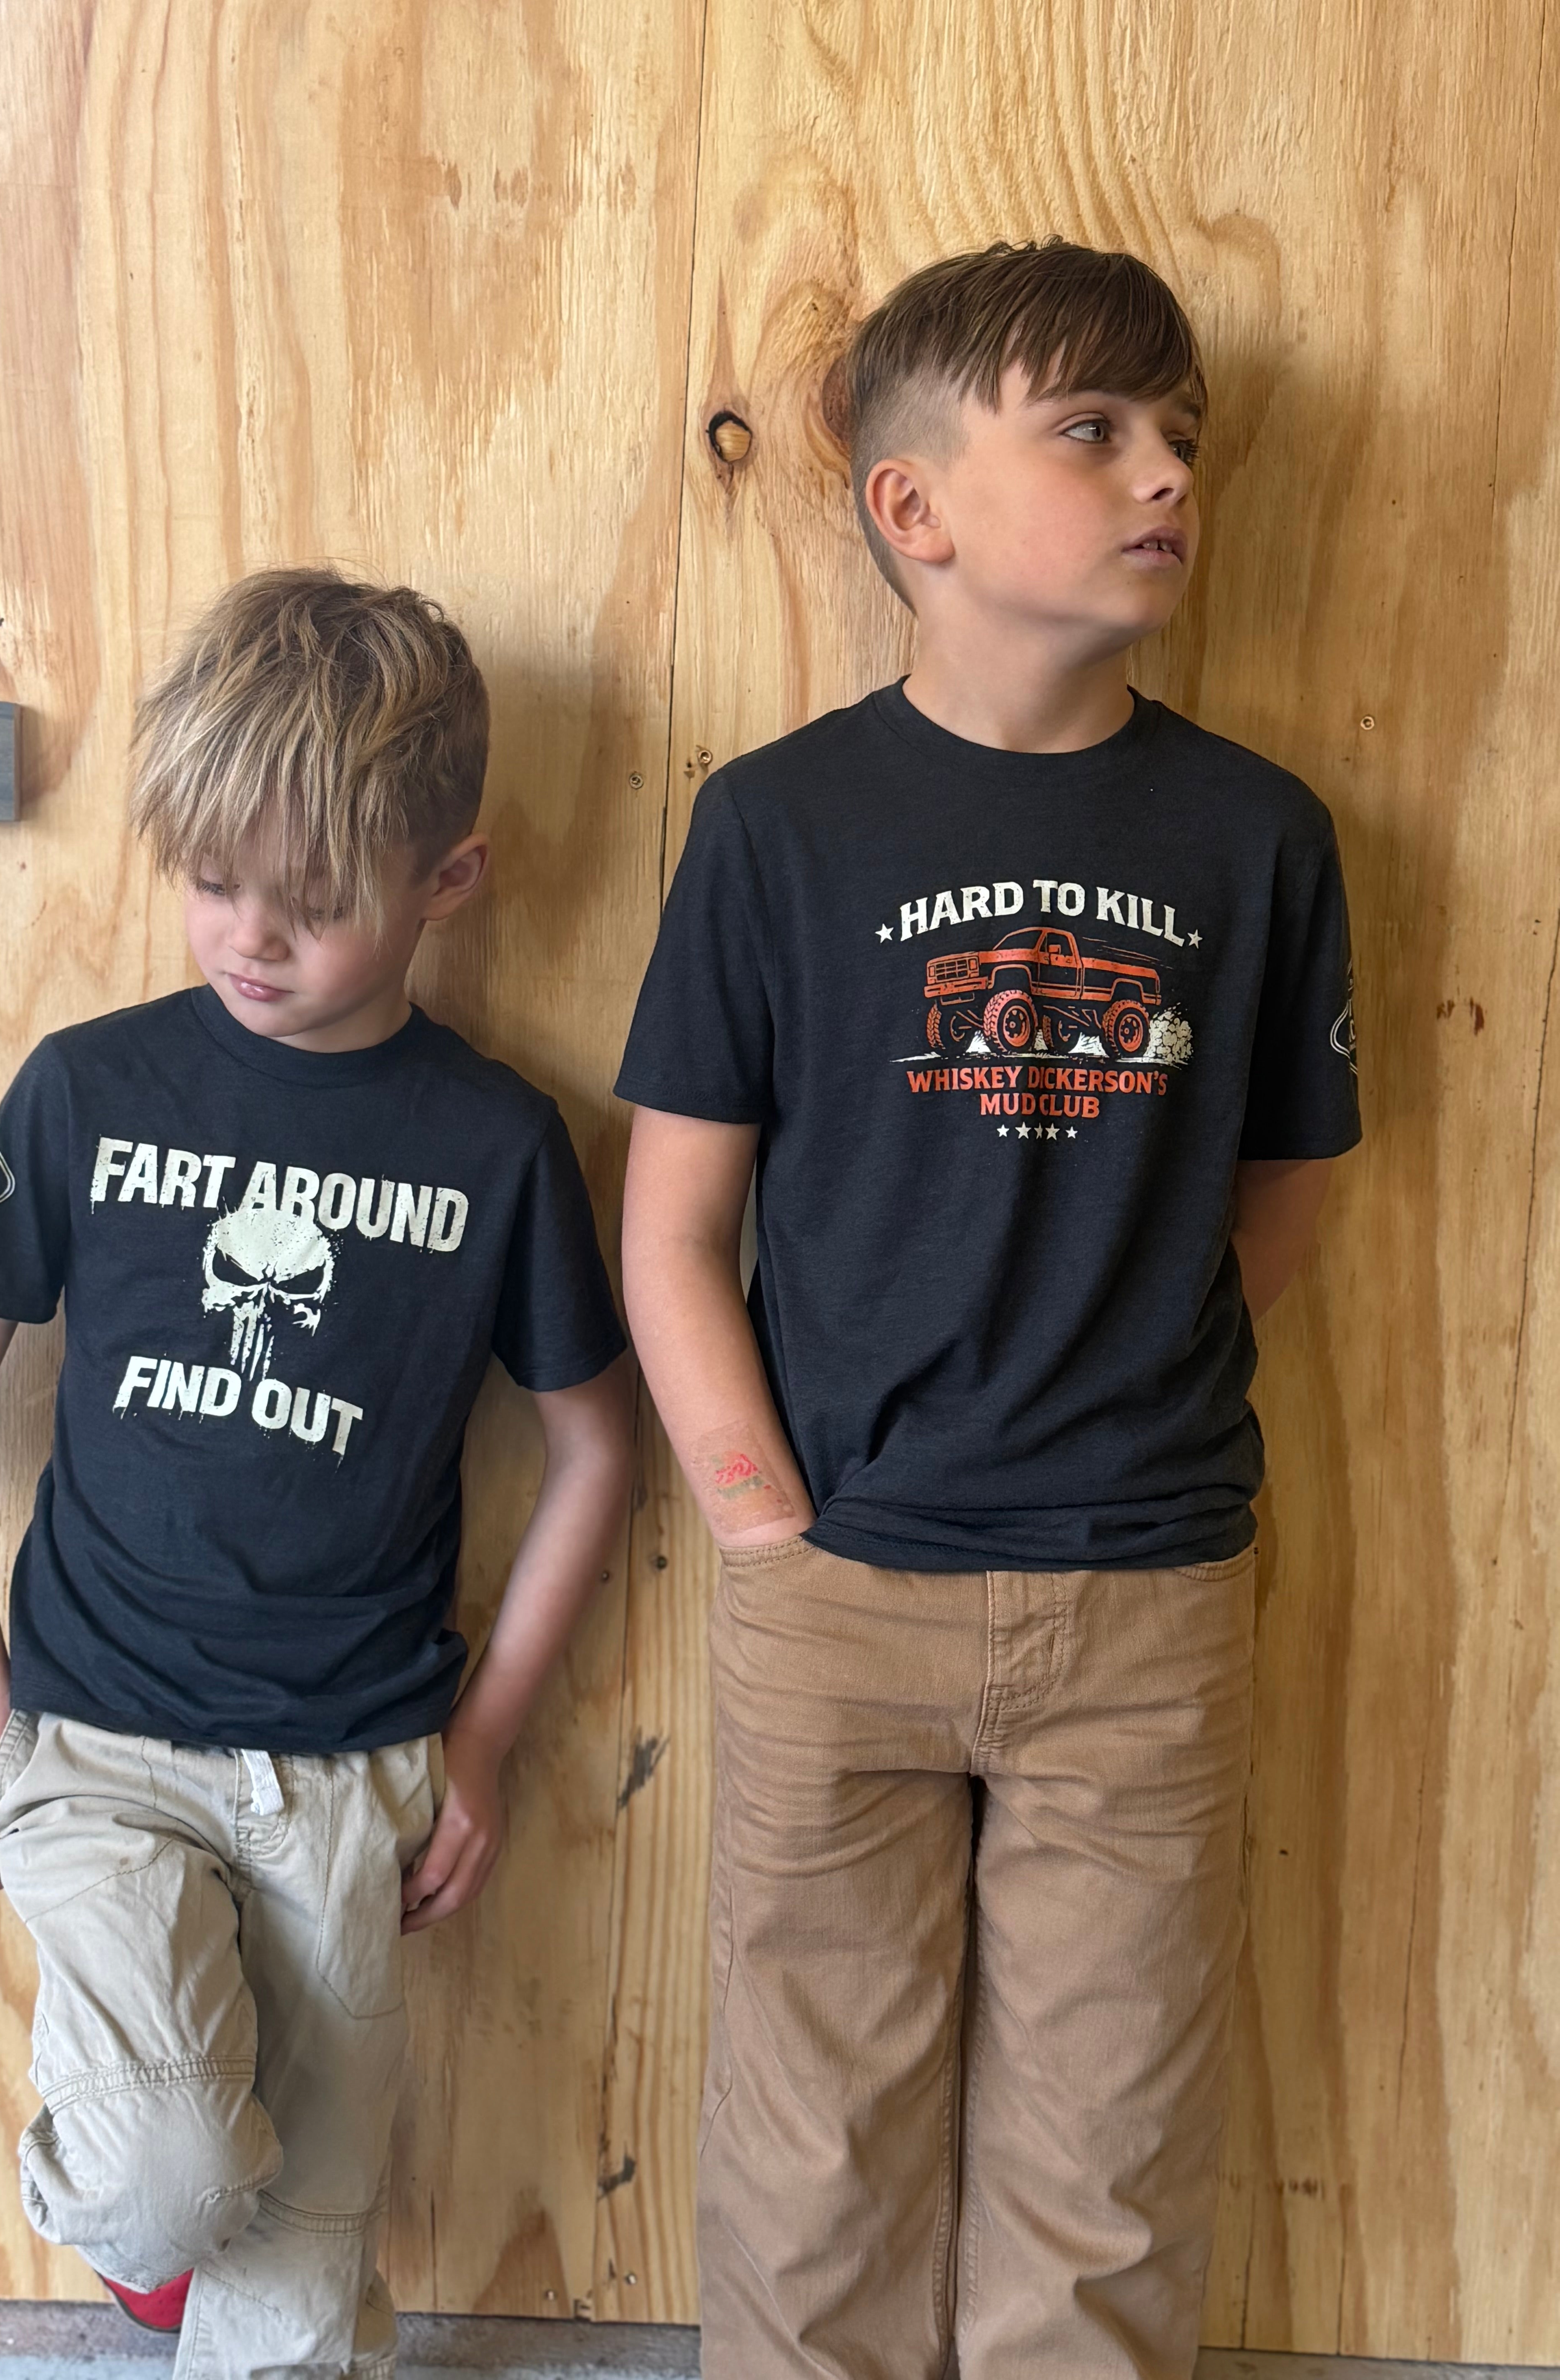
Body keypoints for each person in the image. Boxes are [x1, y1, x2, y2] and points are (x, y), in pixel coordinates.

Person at [617, 240, 1361, 2380]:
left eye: (1183, 440)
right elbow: (673, 1225)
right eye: (1096, 431)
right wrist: (767, 1524)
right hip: (840, 1586)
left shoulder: (1259, 836)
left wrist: (1132, 1379)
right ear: (911, 508)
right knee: (809, 2157)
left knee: (1107, 2179)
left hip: (1146, 1599)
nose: (1165, 480)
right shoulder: (774, 828)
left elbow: (1287, 1189)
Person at [0, 568, 632, 2380]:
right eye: (216, 885)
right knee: (173, 2180)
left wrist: (483, 1741)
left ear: (446, 881)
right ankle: (136, 2243)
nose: (250, 940)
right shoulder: (85, 1090)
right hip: (100, 1748)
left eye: (313, 906)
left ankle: (218, 2292)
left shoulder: (495, 1142)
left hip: (354, 1773)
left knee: (297, 2314)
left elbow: (601, 1445)